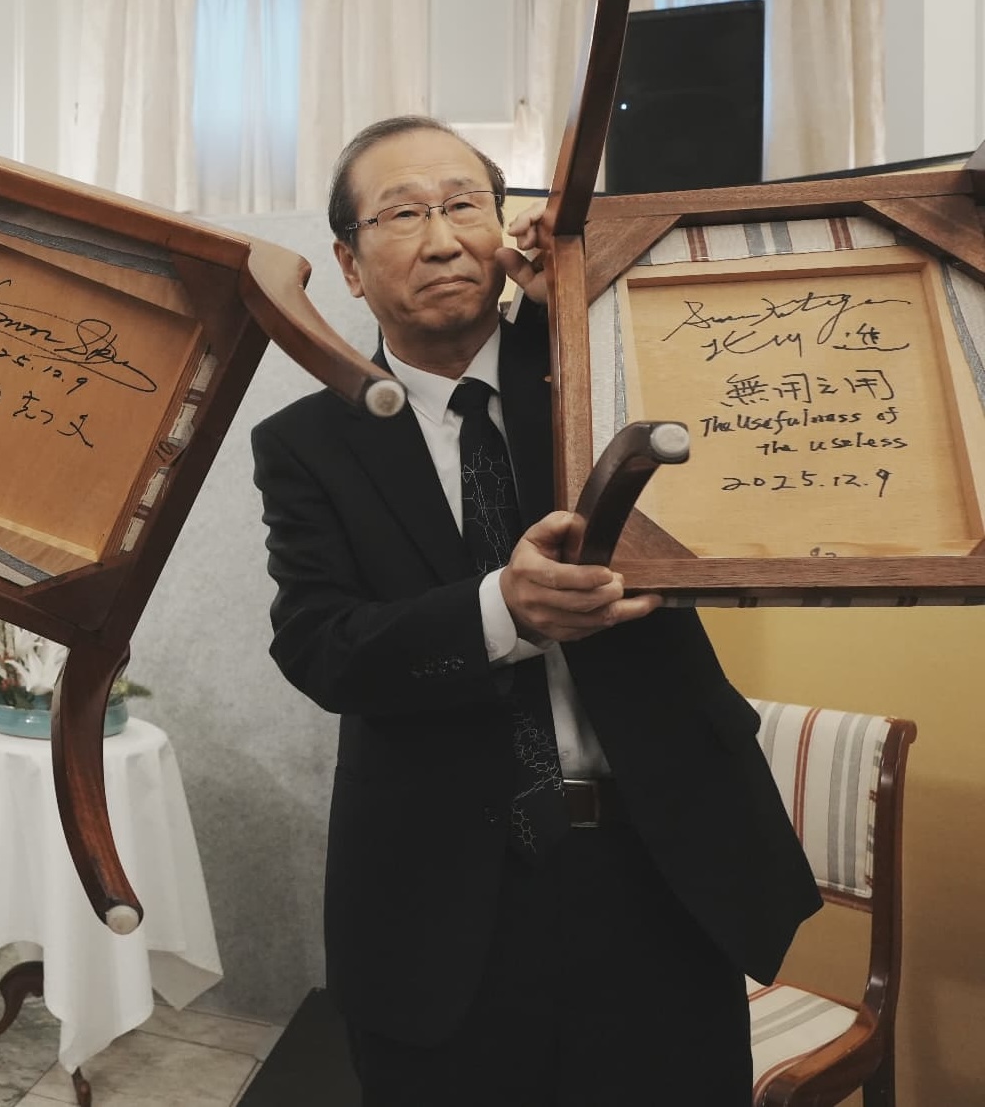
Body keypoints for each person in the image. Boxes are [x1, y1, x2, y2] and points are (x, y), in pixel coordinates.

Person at [250, 116, 821, 1106]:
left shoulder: (601, 362)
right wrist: (498, 610)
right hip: (438, 902)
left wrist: (588, 297)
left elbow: (740, 434)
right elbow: (319, 645)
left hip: (660, 868)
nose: (442, 239)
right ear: (347, 264)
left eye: (463, 204)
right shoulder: (306, 442)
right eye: (402, 214)